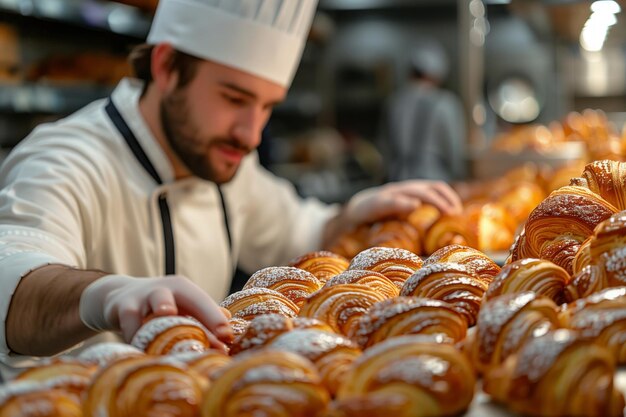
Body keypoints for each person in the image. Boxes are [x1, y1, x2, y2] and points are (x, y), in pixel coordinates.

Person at [0, 0, 462, 371]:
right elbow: (13, 281)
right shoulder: (64, 160)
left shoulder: (225, 164)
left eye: (266, 107)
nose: (251, 133)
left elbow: (299, 233)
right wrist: (107, 295)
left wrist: (353, 213)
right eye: (234, 98)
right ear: (166, 66)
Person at [381, 39, 467, 182]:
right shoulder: (446, 103)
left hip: (399, 180)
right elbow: (454, 151)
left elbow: (385, 148)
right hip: (435, 181)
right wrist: (459, 177)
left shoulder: (394, 102)